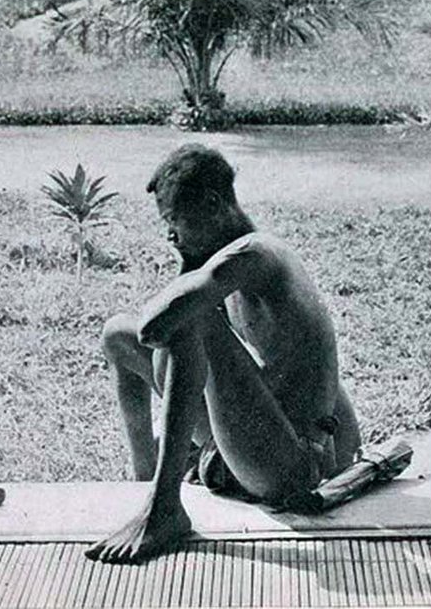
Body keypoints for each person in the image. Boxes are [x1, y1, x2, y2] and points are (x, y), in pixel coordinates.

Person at [89, 144, 361, 564]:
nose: (171, 236)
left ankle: (164, 509)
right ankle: (146, 484)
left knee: (189, 320)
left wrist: (188, 273)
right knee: (116, 337)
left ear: (214, 204)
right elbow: (145, 337)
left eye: (175, 221)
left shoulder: (254, 256)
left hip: (294, 465)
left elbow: (158, 325)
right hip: (259, 444)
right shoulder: (225, 266)